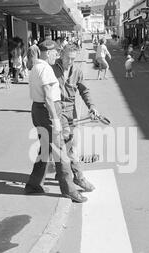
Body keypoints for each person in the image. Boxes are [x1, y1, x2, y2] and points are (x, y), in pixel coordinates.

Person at [25, 39, 88, 204]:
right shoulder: (45, 68)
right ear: (47, 52)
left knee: (45, 150)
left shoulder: (35, 67)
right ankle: (69, 190)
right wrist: (56, 119)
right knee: (61, 152)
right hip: (48, 112)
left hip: (37, 110)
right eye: (55, 52)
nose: (56, 55)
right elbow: (48, 97)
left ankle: (33, 185)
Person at [52, 44, 99, 193]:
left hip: (71, 112)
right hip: (57, 110)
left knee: (66, 145)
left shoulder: (77, 71)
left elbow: (84, 91)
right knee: (69, 147)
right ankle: (78, 177)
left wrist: (91, 106)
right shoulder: (52, 69)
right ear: (61, 54)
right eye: (68, 58)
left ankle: (61, 172)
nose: (70, 62)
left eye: (73, 59)